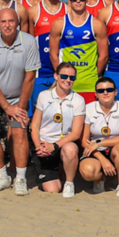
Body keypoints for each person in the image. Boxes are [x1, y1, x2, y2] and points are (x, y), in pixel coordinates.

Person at [0, 7, 40, 196]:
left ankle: (20, 178)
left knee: (19, 133)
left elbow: (30, 77)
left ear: (18, 22)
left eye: (11, 21)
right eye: (3, 21)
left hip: (18, 97)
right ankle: (2, 176)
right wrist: (7, 107)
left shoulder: (29, 41)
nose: (7, 25)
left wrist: (19, 107)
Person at [30, 61, 85, 197]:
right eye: (64, 76)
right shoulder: (44, 95)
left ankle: (69, 183)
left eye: (72, 77)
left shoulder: (78, 100)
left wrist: (54, 146)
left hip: (63, 144)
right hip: (44, 144)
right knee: (53, 189)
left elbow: (76, 133)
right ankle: (54, 174)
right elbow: (34, 126)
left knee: (70, 149)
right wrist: (39, 147)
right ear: (56, 76)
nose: (68, 80)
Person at [50, 0, 108, 103]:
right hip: (67, 85)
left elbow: (103, 56)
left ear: (86, 0)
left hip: (89, 84)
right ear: (69, 0)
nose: (78, 1)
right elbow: (53, 55)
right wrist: (62, 77)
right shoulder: (59, 23)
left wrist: (93, 74)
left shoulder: (97, 24)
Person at [78, 77, 119, 196]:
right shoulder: (88, 109)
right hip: (94, 151)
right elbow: (84, 141)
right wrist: (102, 159)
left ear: (115, 92)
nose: (105, 93)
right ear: (96, 94)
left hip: (115, 150)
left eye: (109, 90)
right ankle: (100, 180)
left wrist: (99, 144)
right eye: (101, 90)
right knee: (88, 171)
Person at [26, 0, 65, 114]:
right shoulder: (33, 12)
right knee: (38, 113)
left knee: (62, 112)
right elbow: (29, 43)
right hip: (40, 72)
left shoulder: (68, 10)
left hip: (62, 71)